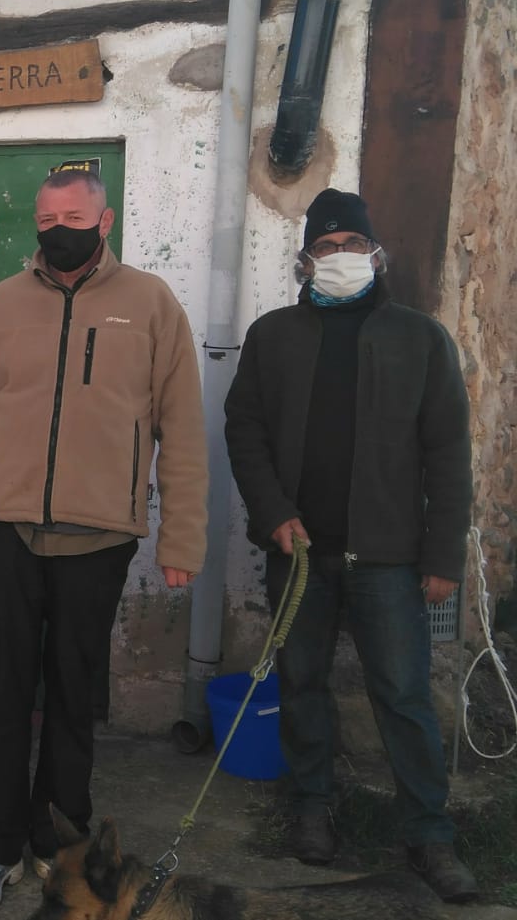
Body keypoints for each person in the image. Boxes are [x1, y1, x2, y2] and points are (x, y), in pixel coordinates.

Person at [0, 167, 206, 910]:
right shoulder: (3, 305)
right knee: (4, 692)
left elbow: (184, 431)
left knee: (74, 698)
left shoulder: (150, 304)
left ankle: (60, 845)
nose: (58, 228)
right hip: (4, 530)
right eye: (46, 217)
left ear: (104, 221)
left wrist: (182, 539)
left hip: (99, 537)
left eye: (73, 214)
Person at [224, 188, 478, 903]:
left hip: (391, 558)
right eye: (326, 248)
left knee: (401, 693)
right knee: (300, 683)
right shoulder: (273, 336)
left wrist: (442, 558)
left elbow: (448, 456)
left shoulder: (420, 338)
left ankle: (429, 834)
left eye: (351, 246)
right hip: (300, 552)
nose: (340, 257)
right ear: (306, 260)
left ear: (375, 254)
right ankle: (311, 809)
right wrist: (274, 512)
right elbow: (244, 430)